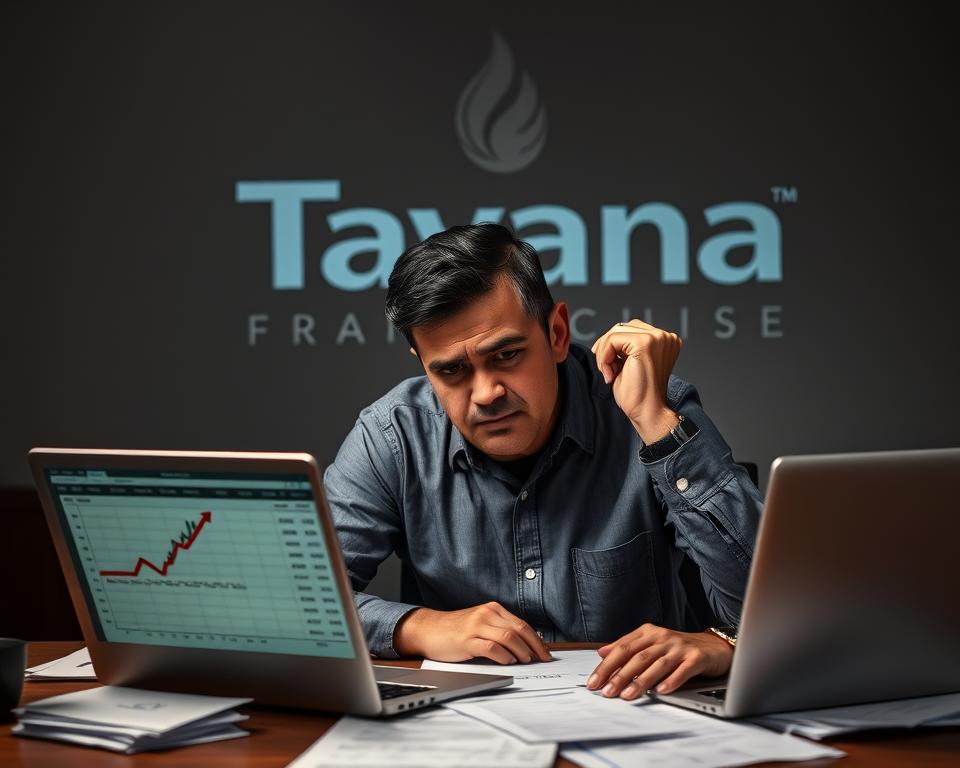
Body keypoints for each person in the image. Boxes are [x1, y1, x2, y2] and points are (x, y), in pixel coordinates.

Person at [324, 223, 762, 700]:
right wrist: (417, 626)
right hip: (464, 725)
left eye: (507, 354)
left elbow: (766, 613)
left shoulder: (651, 406)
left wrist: (654, 422)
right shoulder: (393, 436)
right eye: (451, 370)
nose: (486, 393)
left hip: (635, 710)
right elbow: (298, 605)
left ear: (556, 333)